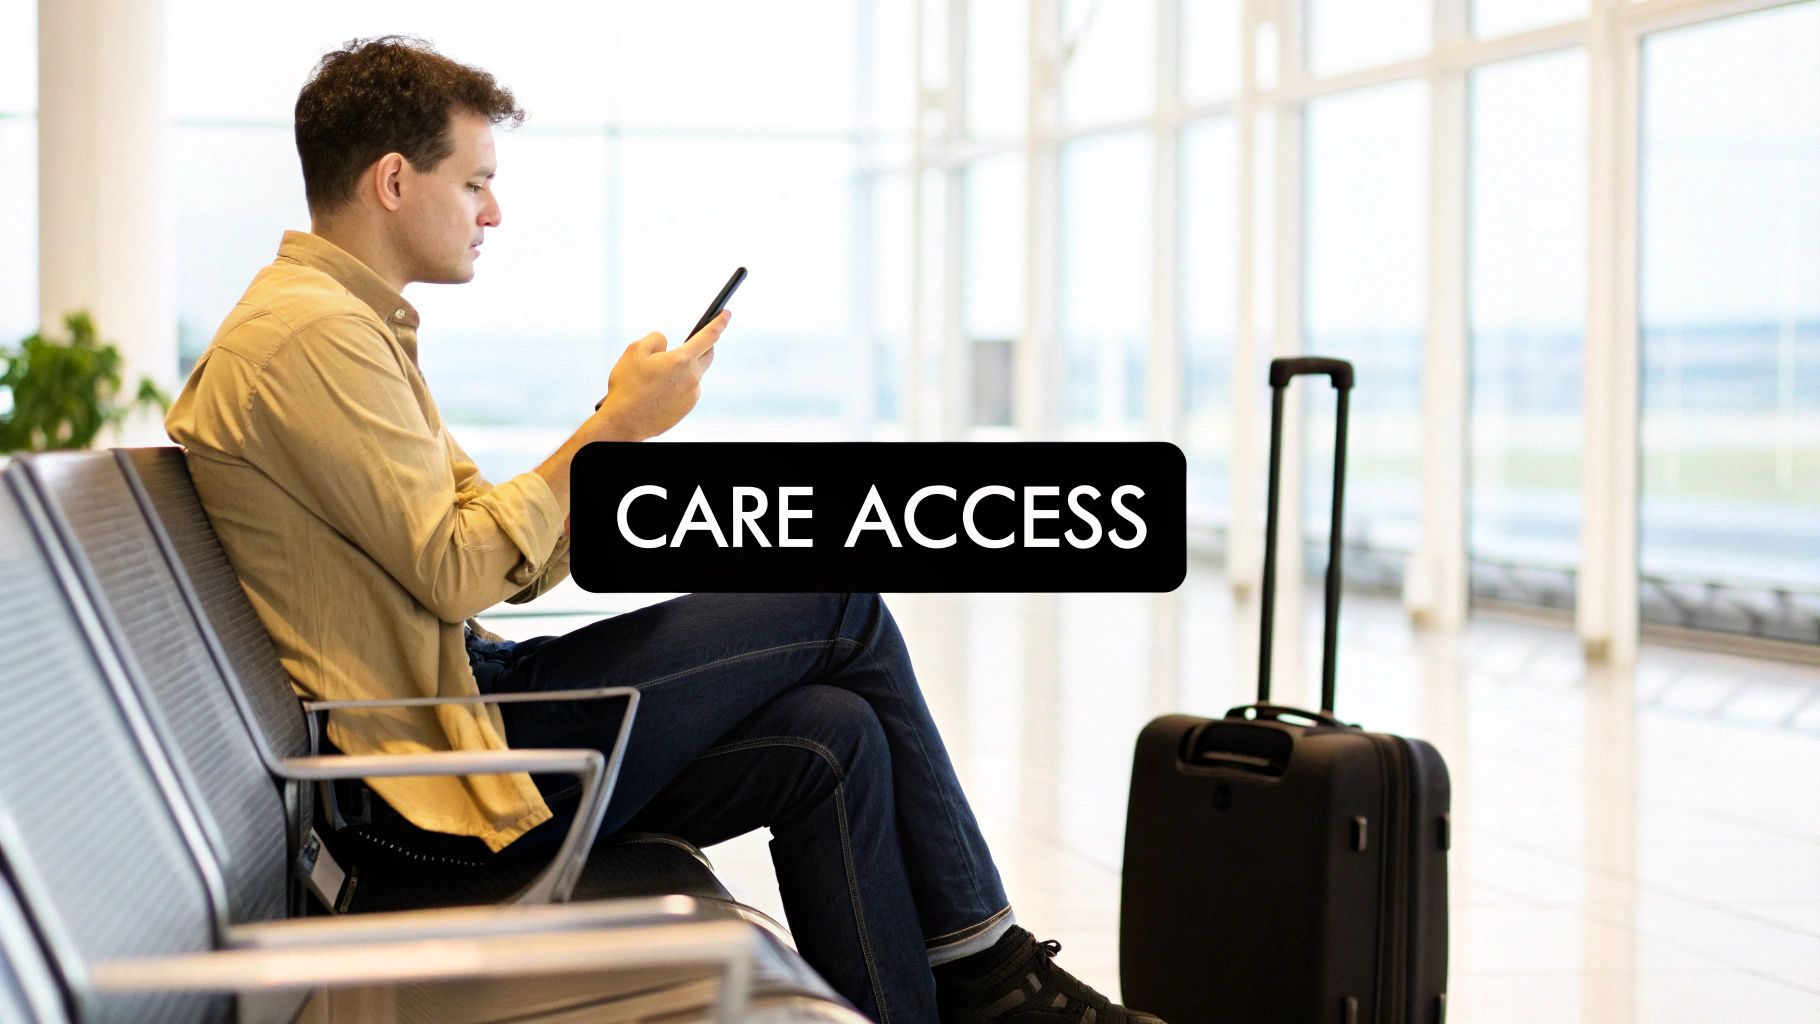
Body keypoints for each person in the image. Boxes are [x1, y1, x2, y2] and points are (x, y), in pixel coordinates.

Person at [165, 36, 1164, 1024]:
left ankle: (943, 997)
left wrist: (614, 435)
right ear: (393, 180)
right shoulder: (312, 335)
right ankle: (991, 971)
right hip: (432, 781)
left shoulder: (347, 326)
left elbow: (482, 549)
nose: (493, 212)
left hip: (462, 714)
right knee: (837, 595)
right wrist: (614, 430)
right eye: (475, 183)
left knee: (832, 737)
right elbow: (462, 567)